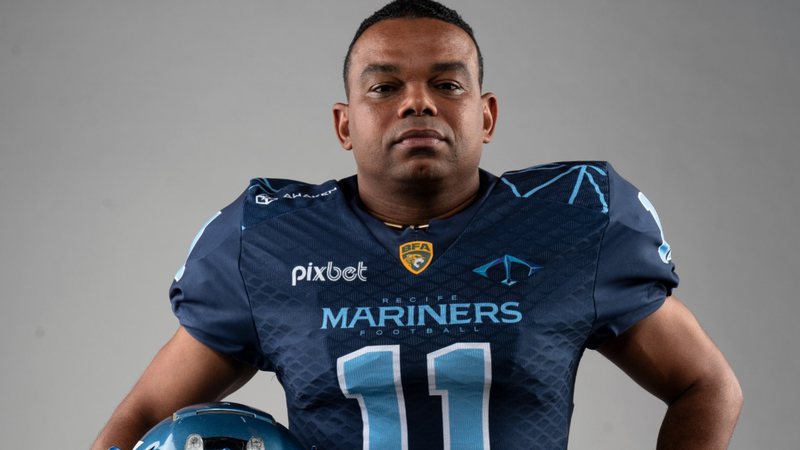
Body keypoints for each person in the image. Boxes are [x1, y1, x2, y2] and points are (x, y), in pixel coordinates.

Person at [91, 1, 742, 449]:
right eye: (384, 87)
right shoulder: (271, 241)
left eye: (447, 85)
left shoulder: (570, 221)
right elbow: (143, 416)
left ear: (486, 115)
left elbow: (706, 384)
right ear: (345, 124)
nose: (418, 103)